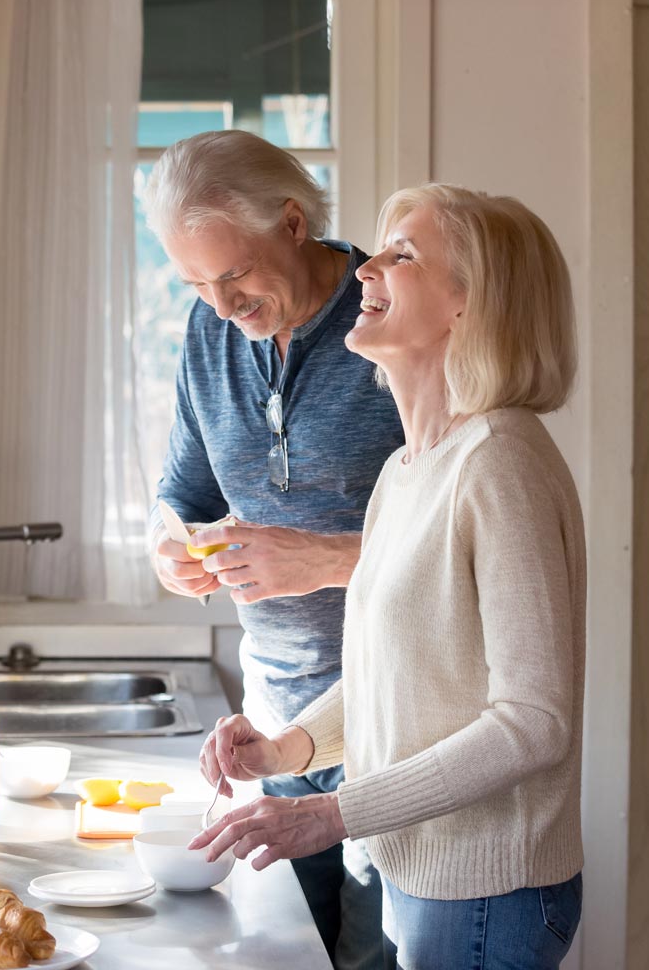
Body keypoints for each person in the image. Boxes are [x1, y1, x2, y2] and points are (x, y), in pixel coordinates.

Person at [189, 184, 586, 970]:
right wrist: (284, 749)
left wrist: (336, 814)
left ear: (471, 304)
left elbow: (535, 722)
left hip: (486, 894)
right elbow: (391, 671)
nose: (365, 267)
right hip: (425, 880)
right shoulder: (408, 469)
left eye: (402, 255)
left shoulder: (499, 460)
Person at [144, 130, 402, 968]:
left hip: (395, 722)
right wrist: (169, 547)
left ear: (293, 223)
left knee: (368, 959)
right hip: (272, 723)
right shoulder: (209, 335)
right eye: (194, 282)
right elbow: (185, 495)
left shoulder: (395, 318)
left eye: (233, 275)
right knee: (277, 956)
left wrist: (327, 558)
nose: (220, 305)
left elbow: (465, 538)